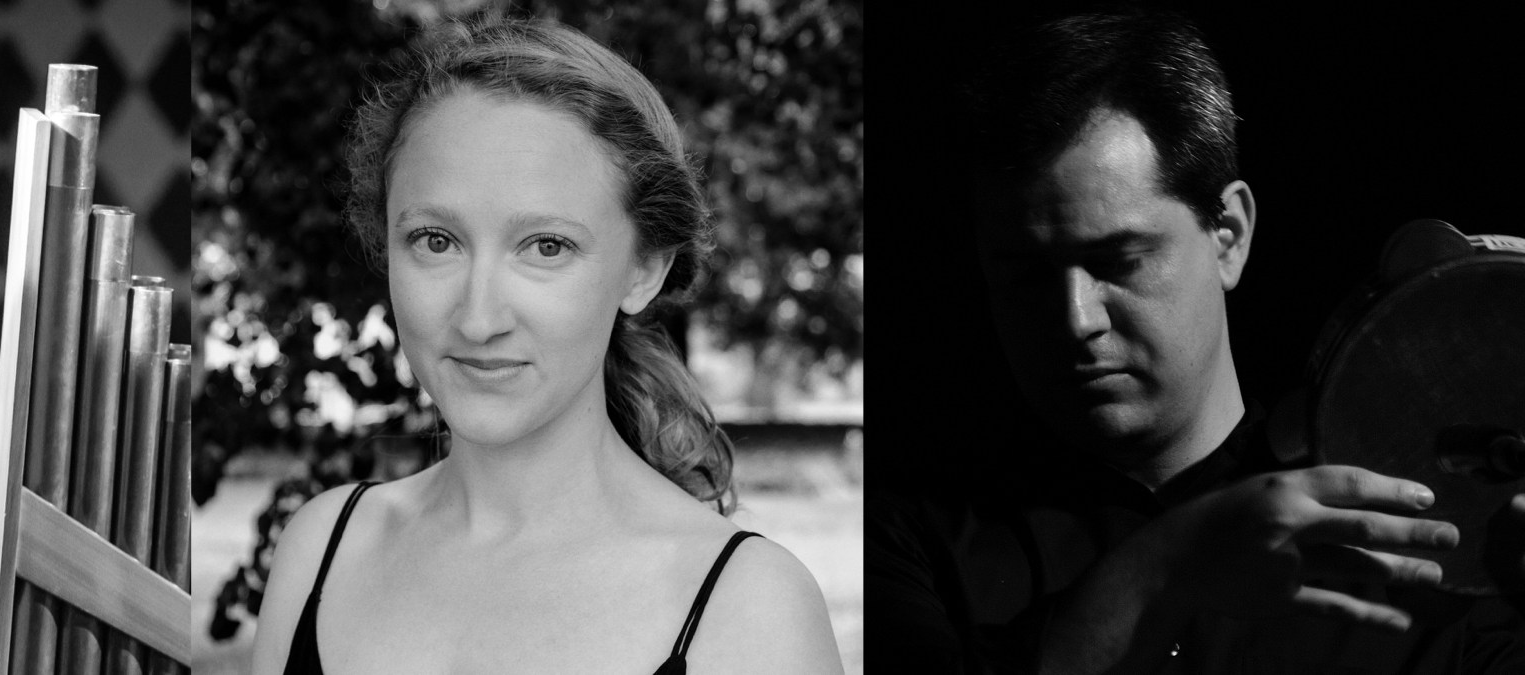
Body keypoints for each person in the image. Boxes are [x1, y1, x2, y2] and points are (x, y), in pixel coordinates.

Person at [877, 9, 1525, 673]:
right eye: (1023, 276)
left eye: (1118, 260)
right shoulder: (902, 547)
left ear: (1229, 236)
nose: (1075, 318)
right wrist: (1166, 568)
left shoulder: (1430, 538)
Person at [245, 18, 843, 674]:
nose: (478, 320)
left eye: (546, 247)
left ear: (644, 269)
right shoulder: (321, 552)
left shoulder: (751, 610)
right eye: (436, 241)